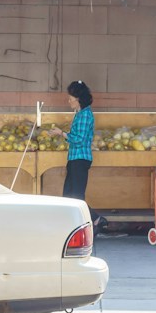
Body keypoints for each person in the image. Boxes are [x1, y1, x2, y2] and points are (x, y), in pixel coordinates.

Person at [54, 81, 102, 229]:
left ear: (78, 99)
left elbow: (79, 139)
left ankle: (96, 219)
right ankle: (78, 223)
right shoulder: (81, 114)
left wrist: (61, 133)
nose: (69, 101)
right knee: (69, 195)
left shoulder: (84, 115)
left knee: (76, 196)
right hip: (75, 158)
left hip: (80, 159)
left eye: (71, 99)